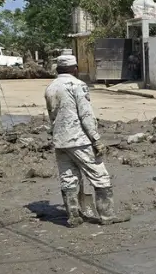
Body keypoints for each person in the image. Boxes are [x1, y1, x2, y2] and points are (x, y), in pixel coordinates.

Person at [45, 54, 127, 227]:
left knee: (68, 178)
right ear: (74, 68)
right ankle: (107, 215)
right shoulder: (77, 85)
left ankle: (73, 216)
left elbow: (52, 115)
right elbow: (86, 114)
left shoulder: (50, 87)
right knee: (100, 176)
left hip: (60, 140)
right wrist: (96, 139)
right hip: (79, 139)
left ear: (58, 69)